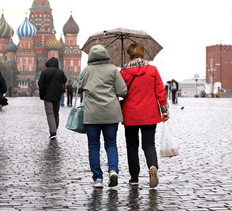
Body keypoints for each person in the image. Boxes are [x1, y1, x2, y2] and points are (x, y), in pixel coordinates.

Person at [120, 43, 170, 188]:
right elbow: (160, 92)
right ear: (143, 55)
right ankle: (152, 166)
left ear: (129, 56)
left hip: (130, 114)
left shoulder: (123, 73)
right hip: (149, 113)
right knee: (149, 144)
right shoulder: (152, 70)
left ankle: (134, 178)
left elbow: (120, 92)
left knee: (132, 145)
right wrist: (165, 112)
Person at [78, 45, 127, 188]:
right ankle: (113, 170)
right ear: (106, 55)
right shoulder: (113, 69)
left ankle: (97, 179)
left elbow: (77, 87)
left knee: (93, 146)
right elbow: (123, 90)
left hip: (92, 114)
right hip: (111, 113)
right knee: (111, 144)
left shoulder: (86, 70)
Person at [38, 57, 67, 140]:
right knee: (56, 113)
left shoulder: (45, 72)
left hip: (48, 96)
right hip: (57, 96)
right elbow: (65, 80)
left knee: (50, 113)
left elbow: (40, 84)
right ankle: (55, 129)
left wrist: (42, 94)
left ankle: (53, 132)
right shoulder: (60, 72)